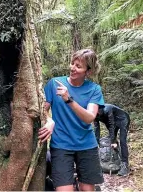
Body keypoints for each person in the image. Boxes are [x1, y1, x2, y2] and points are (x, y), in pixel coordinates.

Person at [38, 49, 104, 191]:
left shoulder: (94, 89)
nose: (72, 68)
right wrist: (49, 121)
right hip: (61, 145)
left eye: (78, 66)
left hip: (87, 145)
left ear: (88, 72)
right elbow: (42, 110)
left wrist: (69, 100)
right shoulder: (54, 84)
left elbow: (89, 118)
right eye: (72, 64)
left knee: (87, 189)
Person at [94, 104, 130, 176]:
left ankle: (125, 165)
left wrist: (113, 141)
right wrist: (96, 142)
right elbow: (96, 128)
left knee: (122, 140)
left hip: (123, 119)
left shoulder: (108, 109)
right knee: (112, 140)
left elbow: (111, 125)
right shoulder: (94, 114)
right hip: (111, 123)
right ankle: (117, 161)